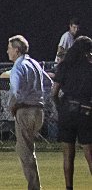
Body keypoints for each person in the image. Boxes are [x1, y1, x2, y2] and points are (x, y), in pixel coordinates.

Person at [6, 35, 50, 190]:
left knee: (24, 151)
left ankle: (34, 187)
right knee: (29, 150)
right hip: (39, 110)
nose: (7, 51)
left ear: (16, 50)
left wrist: (11, 106)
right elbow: (48, 82)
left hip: (25, 110)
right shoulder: (35, 63)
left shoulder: (18, 67)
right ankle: (35, 185)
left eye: (9, 48)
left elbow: (15, 90)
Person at [54, 36, 92, 190]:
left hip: (67, 111)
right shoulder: (89, 68)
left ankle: (69, 187)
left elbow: (53, 93)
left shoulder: (64, 66)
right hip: (86, 111)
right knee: (89, 152)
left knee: (68, 154)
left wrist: (60, 108)